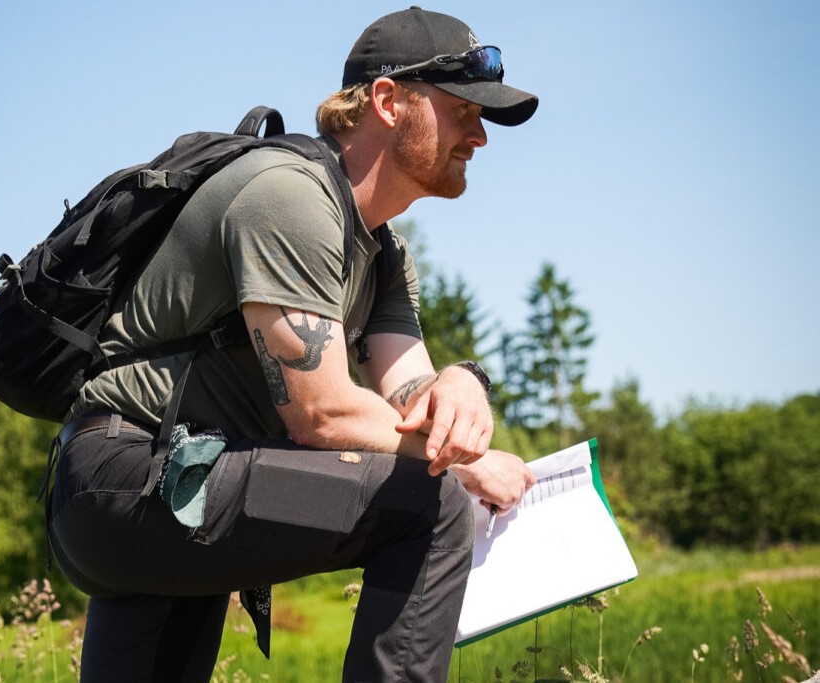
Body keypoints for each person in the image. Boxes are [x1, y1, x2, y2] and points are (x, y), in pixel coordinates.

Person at [47, 6, 539, 682]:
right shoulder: (291, 197)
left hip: (180, 481)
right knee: (433, 504)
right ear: (390, 102)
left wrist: (461, 382)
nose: (479, 136)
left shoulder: (384, 254)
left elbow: (411, 397)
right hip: (127, 474)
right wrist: (459, 463)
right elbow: (325, 415)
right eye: (463, 110)